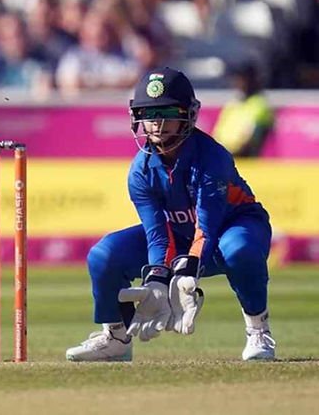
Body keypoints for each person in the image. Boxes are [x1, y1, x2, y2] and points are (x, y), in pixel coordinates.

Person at [66, 67, 274, 362]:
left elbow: (208, 224)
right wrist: (157, 280)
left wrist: (187, 273)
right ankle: (115, 337)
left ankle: (258, 330)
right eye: (149, 114)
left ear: (189, 114)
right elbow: (157, 234)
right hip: (182, 236)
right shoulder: (140, 171)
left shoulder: (212, 157)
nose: (157, 123)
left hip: (233, 226)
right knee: (103, 255)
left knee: (239, 249)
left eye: (167, 112)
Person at [212, 62, 275, 157]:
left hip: (243, 161)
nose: (237, 82)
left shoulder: (260, 104)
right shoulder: (233, 104)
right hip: (223, 157)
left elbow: (253, 141)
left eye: (241, 78)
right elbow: (218, 134)